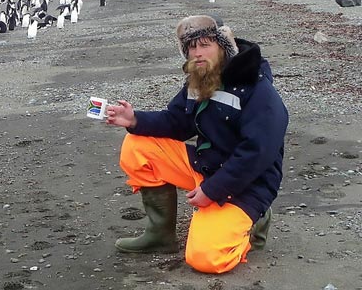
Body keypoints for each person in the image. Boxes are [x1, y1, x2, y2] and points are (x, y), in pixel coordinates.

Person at [105, 15, 288, 274]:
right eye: (191, 48)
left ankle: (252, 225)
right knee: (137, 146)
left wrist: (212, 191)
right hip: (208, 166)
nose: (197, 53)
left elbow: (257, 153)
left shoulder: (257, 89)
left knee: (205, 259)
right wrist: (134, 119)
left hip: (247, 185)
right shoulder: (202, 79)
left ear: (223, 47)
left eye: (205, 45)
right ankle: (161, 236)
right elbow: (177, 121)